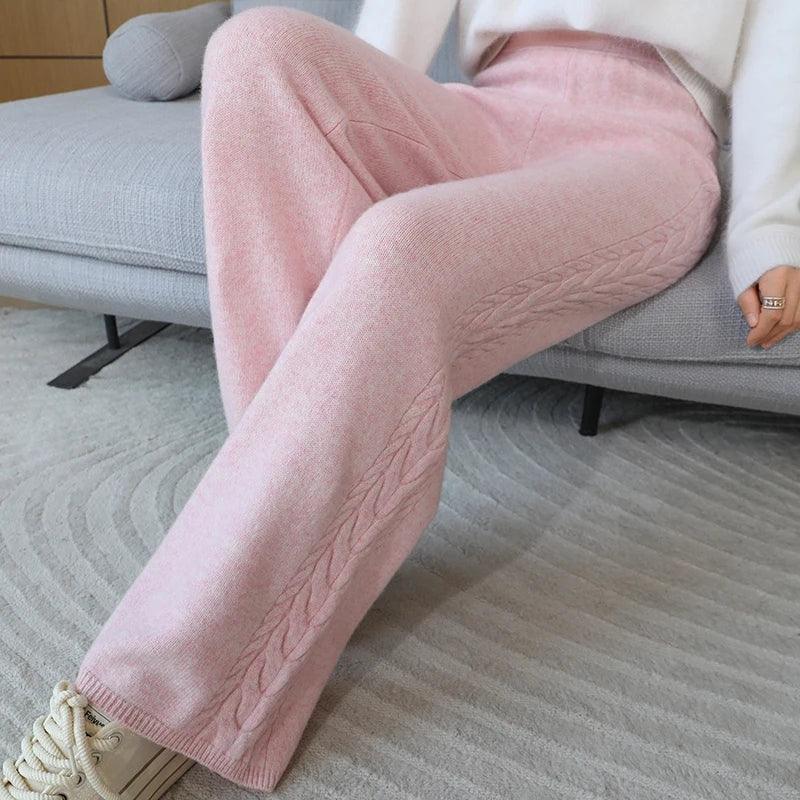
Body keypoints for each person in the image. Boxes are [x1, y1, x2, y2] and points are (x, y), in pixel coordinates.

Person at [3, 1, 799, 798]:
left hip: (646, 146)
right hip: (492, 108)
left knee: (400, 247)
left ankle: (164, 687)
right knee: (255, 45)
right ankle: (291, 540)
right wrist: (352, 126)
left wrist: (768, 229)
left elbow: (780, 50)